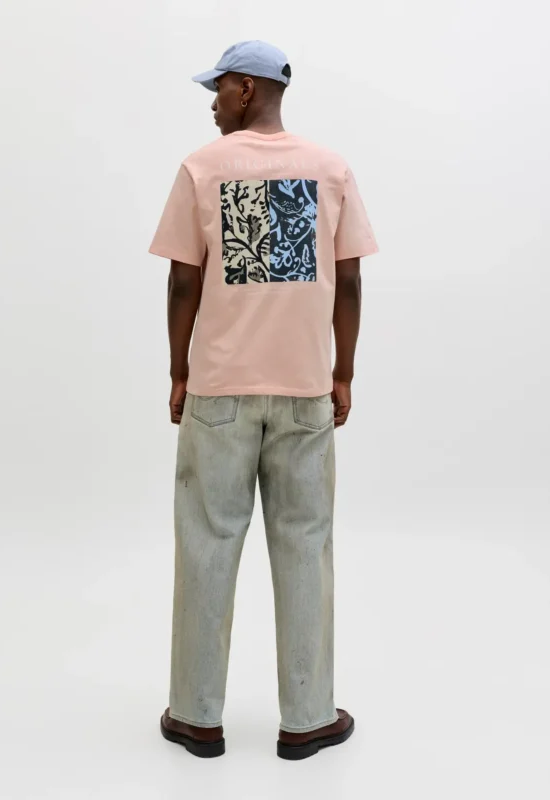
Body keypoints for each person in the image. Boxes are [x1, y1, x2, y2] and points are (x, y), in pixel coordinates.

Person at [148, 40, 379, 760]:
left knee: (206, 543)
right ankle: (308, 719)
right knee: (305, 546)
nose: (213, 103)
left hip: (219, 391)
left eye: (218, 89)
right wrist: (343, 373)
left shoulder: (202, 168)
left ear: (246, 88)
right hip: (305, 391)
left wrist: (179, 371)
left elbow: (184, 282)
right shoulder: (331, 169)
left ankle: (196, 717)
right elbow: (348, 282)